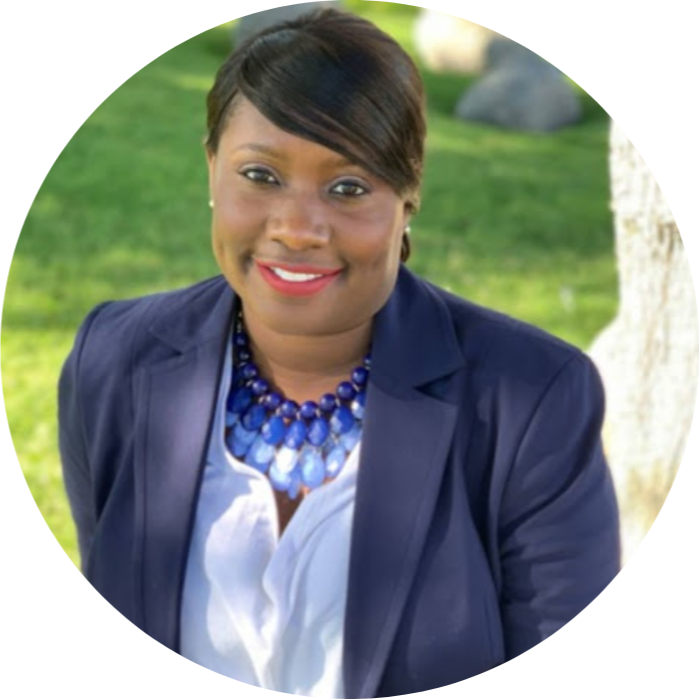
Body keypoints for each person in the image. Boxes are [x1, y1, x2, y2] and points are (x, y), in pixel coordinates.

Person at [58, 8, 621, 696]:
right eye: (260, 174)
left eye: (347, 187)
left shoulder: (531, 400)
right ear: (211, 170)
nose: (297, 228)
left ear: (408, 194)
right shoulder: (115, 362)